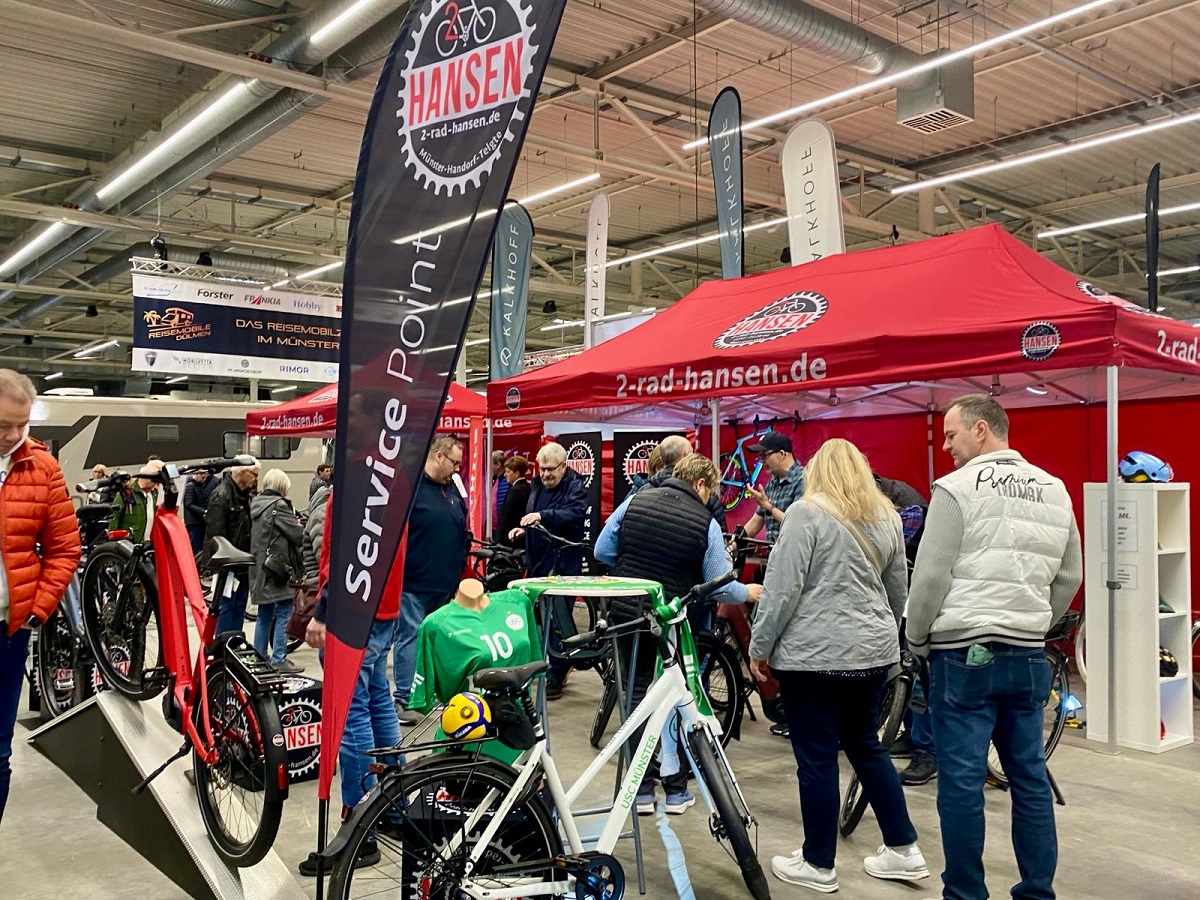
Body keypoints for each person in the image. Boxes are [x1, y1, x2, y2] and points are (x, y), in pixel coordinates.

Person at [906, 394, 1081, 900]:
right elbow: (1070, 575)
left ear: (981, 429)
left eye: (951, 434)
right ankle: (1037, 891)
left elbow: (930, 577)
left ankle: (966, 894)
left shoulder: (957, 489)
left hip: (963, 654)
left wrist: (917, 637)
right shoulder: (1055, 489)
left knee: (961, 783)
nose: (946, 445)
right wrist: (1036, 624)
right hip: (1027, 656)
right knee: (1029, 778)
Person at [749, 438, 927, 893]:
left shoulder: (806, 514)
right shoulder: (887, 517)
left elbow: (782, 589)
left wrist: (759, 646)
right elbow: (897, 589)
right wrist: (883, 635)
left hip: (814, 656)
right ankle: (904, 849)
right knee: (866, 746)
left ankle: (818, 862)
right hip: (872, 654)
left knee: (817, 758)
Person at [595, 452, 761, 814]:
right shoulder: (705, 523)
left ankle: (640, 791)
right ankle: (674, 790)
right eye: (710, 491)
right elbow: (720, 584)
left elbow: (602, 549)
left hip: (626, 614)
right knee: (676, 698)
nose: (710, 498)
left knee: (634, 698)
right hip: (671, 620)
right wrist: (747, 592)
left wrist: (632, 568)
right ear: (700, 484)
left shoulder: (634, 501)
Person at [299, 486, 403, 875]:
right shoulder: (395, 479)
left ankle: (361, 831)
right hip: (385, 605)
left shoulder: (356, 481)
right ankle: (395, 807)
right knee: (378, 701)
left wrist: (324, 610)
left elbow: (342, 552)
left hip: (354, 611)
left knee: (351, 714)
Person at [0, 369, 81, 823]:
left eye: (22, 425)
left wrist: (37, 610)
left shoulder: (42, 467)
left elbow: (65, 549)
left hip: (9, 632)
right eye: (3, 425)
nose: (14, 436)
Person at [392, 436, 468, 724]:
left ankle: (430, 694)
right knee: (410, 637)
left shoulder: (452, 488)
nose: (457, 469)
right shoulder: (410, 488)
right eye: (454, 462)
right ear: (438, 456)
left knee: (437, 639)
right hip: (413, 582)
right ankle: (404, 698)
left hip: (445, 581)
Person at [508, 441, 587, 699]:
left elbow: (573, 514)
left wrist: (543, 516)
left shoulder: (575, 487)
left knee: (557, 619)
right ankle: (544, 666)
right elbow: (535, 516)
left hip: (563, 563)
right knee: (540, 619)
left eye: (550, 469)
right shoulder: (537, 485)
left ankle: (556, 673)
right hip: (538, 562)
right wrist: (525, 529)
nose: (545, 474)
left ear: (564, 466)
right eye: (541, 469)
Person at [250, 469, 305, 674]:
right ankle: (279, 658)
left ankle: (259, 657)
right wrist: (299, 524)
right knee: (284, 612)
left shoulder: (256, 503)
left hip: (261, 566)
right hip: (277, 569)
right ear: (282, 486)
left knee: (264, 614)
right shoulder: (279, 506)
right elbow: (297, 535)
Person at [205, 457, 260, 634]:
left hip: (242, 562)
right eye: (254, 474)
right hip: (228, 565)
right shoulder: (221, 495)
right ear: (242, 472)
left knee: (239, 605)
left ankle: (234, 641)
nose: (255, 479)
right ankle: (223, 643)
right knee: (227, 606)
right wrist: (223, 564)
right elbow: (216, 534)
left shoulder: (244, 495)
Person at [630, 434, 727, 531]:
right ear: (686, 455)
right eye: (692, 452)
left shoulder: (642, 490)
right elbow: (719, 534)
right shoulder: (704, 491)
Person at [742, 431, 805, 543]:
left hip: (794, 552)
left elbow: (796, 524)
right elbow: (756, 520)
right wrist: (732, 544)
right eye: (760, 456)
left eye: (764, 455)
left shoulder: (803, 479)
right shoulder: (772, 483)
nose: (761, 461)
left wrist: (768, 507)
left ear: (781, 454)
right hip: (773, 552)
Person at [107, 460, 164, 543]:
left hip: (148, 543)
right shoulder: (126, 493)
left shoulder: (154, 494)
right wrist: (112, 541)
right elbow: (114, 517)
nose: (156, 483)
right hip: (129, 543)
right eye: (154, 479)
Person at [496, 455, 531, 545]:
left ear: (517, 473)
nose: (505, 475)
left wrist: (499, 539)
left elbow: (506, 517)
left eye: (507, 472)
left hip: (510, 539)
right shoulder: (528, 487)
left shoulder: (515, 491)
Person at [183, 466, 215, 555]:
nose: (204, 480)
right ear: (197, 474)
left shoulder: (199, 486)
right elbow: (189, 504)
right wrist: (203, 511)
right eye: (203, 477)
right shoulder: (190, 486)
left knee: (199, 544)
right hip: (193, 521)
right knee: (195, 545)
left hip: (198, 520)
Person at [490, 450, 510, 528]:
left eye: (490, 464)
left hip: (500, 526)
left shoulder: (506, 483)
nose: (489, 467)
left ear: (498, 465)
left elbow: (502, 506)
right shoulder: (496, 480)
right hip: (494, 526)